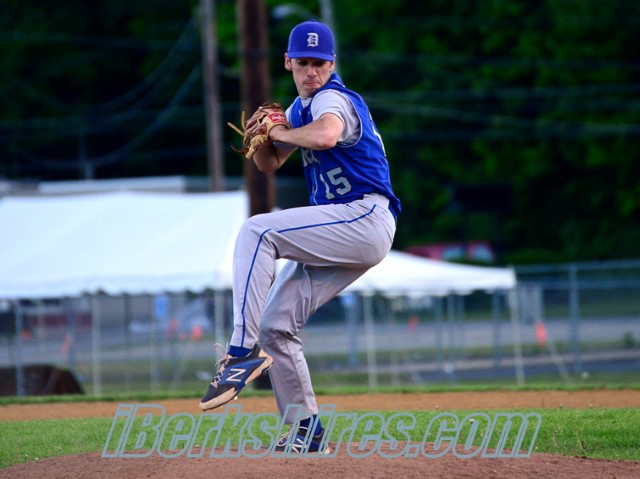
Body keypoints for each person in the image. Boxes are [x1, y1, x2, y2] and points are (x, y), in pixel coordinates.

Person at [199, 20, 401, 453]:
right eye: (304, 63)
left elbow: (326, 136)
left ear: (332, 64)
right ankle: (306, 432)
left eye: (320, 63)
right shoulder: (298, 109)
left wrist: (276, 131)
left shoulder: (332, 99)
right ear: (288, 62)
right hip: (345, 228)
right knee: (275, 326)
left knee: (257, 230)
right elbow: (271, 163)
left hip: (364, 216)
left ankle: (239, 354)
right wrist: (262, 141)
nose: (312, 71)